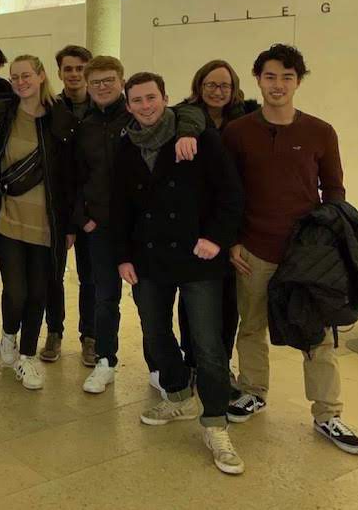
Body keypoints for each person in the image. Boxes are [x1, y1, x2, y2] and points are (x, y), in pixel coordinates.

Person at [223, 44, 358, 455]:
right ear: (258, 80)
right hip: (253, 248)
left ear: (298, 82)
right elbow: (228, 193)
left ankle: (327, 413)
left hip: (305, 255)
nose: (278, 84)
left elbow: (334, 191)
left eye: (287, 77)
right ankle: (252, 390)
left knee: (317, 335)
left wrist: (329, 244)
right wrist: (233, 240)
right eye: (270, 76)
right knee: (251, 326)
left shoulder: (320, 131)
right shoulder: (239, 132)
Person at [112, 72, 246, 476]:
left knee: (207, 344)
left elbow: (230, 194)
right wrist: (123, 256)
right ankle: (177, 394)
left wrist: (216, 239)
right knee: (154, 331)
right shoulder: (126, 144)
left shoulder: (198, 136)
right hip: (149, 259)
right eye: (136, 101)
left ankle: (216, 422)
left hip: (197, 257)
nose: (145, 106)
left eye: (151, 98)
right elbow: (121, 207)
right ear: (129, 105)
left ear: (165, 98)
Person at [76, 56, 205, 395]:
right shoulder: (84, 123)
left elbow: (188, 112)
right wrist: (83, 218)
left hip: (146, 227)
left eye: (109, 79)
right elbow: (72, 175)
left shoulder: (140, 113)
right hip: (103, 225)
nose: (102, 86)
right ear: (87, 87)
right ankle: (105, 360)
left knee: (148, 302)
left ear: (121, 82)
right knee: (105, 296)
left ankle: (159, 366)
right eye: (96, 82)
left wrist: (189, 128)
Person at [0, 55, 75, 391]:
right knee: (16, 291)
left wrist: (70, 226)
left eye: (27, 76)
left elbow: (69, 176)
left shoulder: (60, 119)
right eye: (15, 76)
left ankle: (28, 356)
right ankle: (8, 332)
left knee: (39, 292)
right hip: (7, 218)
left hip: (46, 222)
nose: (21, 82)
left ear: (40, 77)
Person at [177, 59, 260, 385]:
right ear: (200, 86)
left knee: (227, 301)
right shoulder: (185, 116)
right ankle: (192, 359)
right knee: (192, 298)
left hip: (233, 220)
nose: (217, 91)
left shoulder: (246, 119)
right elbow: (186, 117)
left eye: (224, 85)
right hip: (196, 222)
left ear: (235, 88)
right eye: (211, 84)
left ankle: (220, 361)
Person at [42, 44, 93, 365]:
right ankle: (54, 331)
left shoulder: (100, 108)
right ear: (59, 73)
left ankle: (90, 335)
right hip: (57, 206)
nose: (74, 74)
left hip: (90, 209)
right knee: (53, 274)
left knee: (90, 276)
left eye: (79, 69)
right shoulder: (51, 109)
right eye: (68, 69)